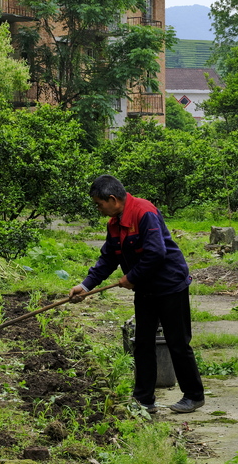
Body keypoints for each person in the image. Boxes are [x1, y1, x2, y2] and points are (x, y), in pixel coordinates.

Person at [69, 175, 205, 414]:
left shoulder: (144, 212)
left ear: (112, 199)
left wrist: (131, 278)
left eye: (99, 204)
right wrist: (86, 286)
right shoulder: (114, 223)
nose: (98, 209)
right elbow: (109, 257)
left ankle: (194, 395)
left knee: (177, 342)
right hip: (146, 289)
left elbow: (156, 253)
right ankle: (144, 399)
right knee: (143, 343)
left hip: (170, 285)